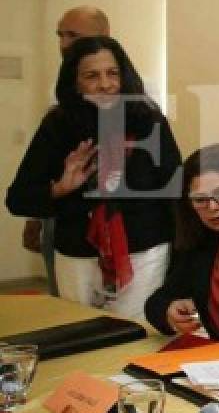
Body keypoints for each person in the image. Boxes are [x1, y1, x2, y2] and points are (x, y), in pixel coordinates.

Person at [7, 36, 181, 318]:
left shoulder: (147, 119)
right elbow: (17, 199)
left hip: (144, 250)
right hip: (77, 251)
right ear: (74, 83)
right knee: (80, 333)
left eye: (112, 73)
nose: (105, 84)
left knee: (137, 335)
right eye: (92, 76)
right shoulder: (58, 125)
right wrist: (59, 189)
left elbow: (174, 188)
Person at [22, 5, 112, 294]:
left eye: (72, 35)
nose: (63, 44)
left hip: (119, 220)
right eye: (59, 35)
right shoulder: (61, 91)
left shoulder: (138, 88)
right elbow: (47, 159)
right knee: (66, 299)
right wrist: (35, 214)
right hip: (67, 216)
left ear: (104, 36)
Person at [145, 144, 219, 340]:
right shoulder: (201, 240)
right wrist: (169, 312)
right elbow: (157, 301)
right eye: (200, 200)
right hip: (217, 359)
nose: (212, 207)